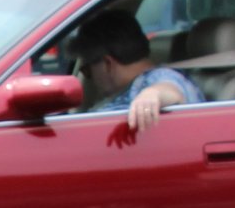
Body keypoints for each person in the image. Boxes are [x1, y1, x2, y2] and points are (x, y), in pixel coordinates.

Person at [70, 10, 204, 137]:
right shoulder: (129, 87)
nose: (90, 79)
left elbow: (172, 91)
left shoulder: (159, 77)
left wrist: (152, 94)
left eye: (87, 71)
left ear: (107, 64)